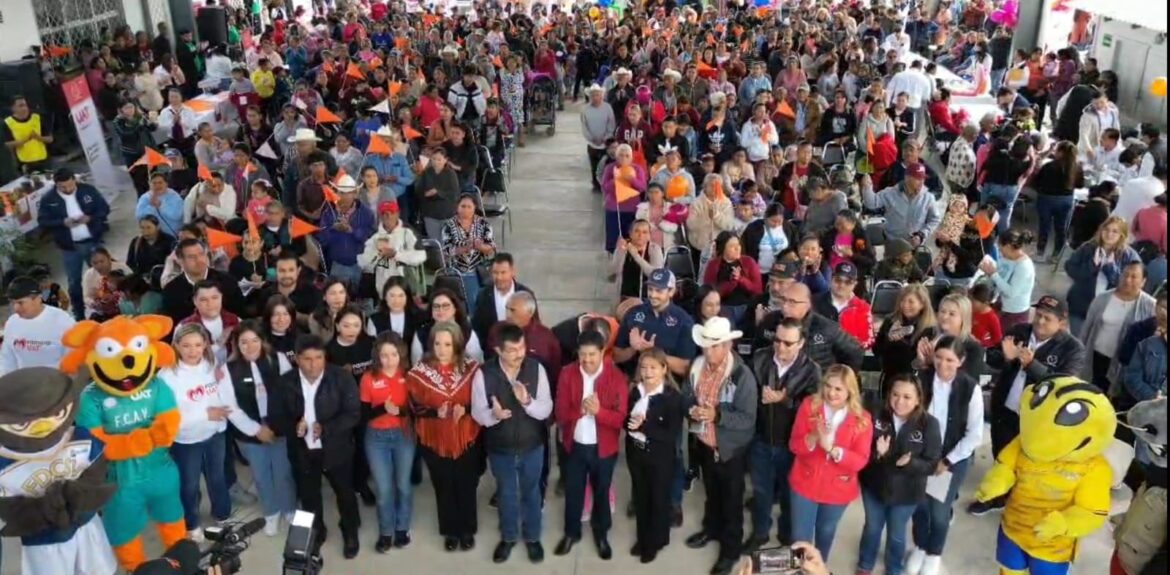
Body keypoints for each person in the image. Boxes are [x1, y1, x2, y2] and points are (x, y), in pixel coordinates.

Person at [972, 295, 1086, 516]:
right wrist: (1005, 357)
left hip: (1036, 418)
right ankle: (997, 496)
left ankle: (1020, 500)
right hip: (1005, 407)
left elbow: (1062, 383)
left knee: (1028, 463)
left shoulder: (1073, 349)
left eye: (1048, 319)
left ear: (1062, 323)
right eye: (1039, 315)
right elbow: (994, 357)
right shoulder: (1019, 331)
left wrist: (1030, 364)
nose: (1040, 322)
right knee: (1001, 455)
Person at [268, 334, 362, 558]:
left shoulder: (341, 378)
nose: (313, 364)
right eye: (307, 359)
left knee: (345, 494)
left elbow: (353, 413)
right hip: (302, 451)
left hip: (336, 449)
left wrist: (327, 428)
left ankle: (350, 532)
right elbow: (276, 417)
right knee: (309, 496)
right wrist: (293, 428)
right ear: (298, 359)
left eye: (318, 358)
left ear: (325, 357)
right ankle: (317, 533)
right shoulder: (284, 383)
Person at [472, 323, 554, 564]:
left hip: (532, 446)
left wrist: (527, 401)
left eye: (522, 347)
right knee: (506, 494)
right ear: (498, 350)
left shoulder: (536, 369)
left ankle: (532, 537)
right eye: (512, 350)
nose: (519, 354)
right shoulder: (484, 374)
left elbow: (546, 408)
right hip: (500, 448)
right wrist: (493, 416)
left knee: (532, 493)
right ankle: (508, 537)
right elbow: (478, 413)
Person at [683, 317, 759, 575]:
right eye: (706, 345)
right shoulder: (697, 366)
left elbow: (748, 419)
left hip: (730, 452)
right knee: (712, 494)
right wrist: (690, 408)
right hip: (705, 444)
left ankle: (730, 550)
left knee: (732, 502)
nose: (709, 351)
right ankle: (712, 529)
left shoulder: (742, 376)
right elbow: (687, 394)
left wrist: (717, 416)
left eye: (715, 346)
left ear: (727, 345)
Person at [907, 336, 984, 575]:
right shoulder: (922, 379)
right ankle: (920, 546)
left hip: (950, 458)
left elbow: (974, 434)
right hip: (921, 456)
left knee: (939, 512)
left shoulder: (970, 388)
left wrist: (947, 460)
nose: (943, 365)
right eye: (938, 358)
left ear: (960, 361)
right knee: (919, 506)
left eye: (950, 360)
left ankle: (933, 554)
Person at [745, 317, 822, 552]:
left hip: (792, 445)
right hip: (760, 438)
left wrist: (784, 400)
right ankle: (759, 533)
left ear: (801, 343)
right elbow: (745, 393)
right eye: (777, 340)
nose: (781, 347)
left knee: (790, 495)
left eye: (788, 343)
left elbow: (815, 407)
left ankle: (786, 534)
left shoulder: (812, 370)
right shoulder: (759, 358)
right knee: (760, 492)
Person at [405, 321, 481, 552]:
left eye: (447, 344)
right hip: (435, 439)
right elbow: (412, 406)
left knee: (466, 484)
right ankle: (450, 530)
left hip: (467, 436)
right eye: (437, 343)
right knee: (443, 485)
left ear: (456, 344)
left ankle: (467, 529)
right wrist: (433, 412)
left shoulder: (472, 369)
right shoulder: (419, 373)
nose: (441, 349)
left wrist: (466, 409)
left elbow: (483, 401)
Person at [553, 330, 630, 560]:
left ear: (603, 352)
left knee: (601, 491)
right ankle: (571, 532)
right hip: (575, 446)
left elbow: (620, 419)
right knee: (573, 491)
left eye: (592, 355)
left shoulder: (616, 377)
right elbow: (560, 412)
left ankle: (601, 534)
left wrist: (598, 412)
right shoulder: (567, 374)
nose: (586, 360)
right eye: (582, 355)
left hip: (603, 449)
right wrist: (580, 410)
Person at [857, 374, 942, 575]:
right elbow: (860, 451)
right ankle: (865, 564)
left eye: (907, 397)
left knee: (896, 534)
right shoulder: (875, 414)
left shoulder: (929, 424)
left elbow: (932, 464)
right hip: (874, 486)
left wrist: (911, 463)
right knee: (872, 527)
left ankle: (894, 568)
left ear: (918, 399)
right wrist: (877, 453)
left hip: (908, 493)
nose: (900, 401)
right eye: (895, 395)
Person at [786, 364, 872, 561]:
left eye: (838, 389)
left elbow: (860, 461)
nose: (831, 393)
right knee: (800, 536)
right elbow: (794, 445)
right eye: (828, 386)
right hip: (804, 483)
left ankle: (818, 569)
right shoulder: (809, 406)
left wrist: (833, 450)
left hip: (837, 489)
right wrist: (813, 437)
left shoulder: (863, 419)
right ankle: (799, 570)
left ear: (850, 391)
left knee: (825, 533)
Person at [218, 321, 296, 537]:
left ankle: (289, 509)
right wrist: (256, 430)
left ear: (262, 342)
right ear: (236, 345)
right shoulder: (227, 370)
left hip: (279, 428)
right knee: (261, 475)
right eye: (244, 342)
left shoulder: (278, 360)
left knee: (283, 473)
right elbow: (230, 407)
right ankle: (271, 512)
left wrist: (277, 425)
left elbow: (290, 394)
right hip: (249, 433)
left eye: (254, 340)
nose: (250, 346)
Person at [159, 323, 233, 541]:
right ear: (176, 346)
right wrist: (205, 415)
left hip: (215, 435)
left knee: (217, 477)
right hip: (186, 441)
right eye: (187, 346)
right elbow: (168, 418)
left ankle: (222, 513)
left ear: (205, 346)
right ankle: (191, 522)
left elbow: (220, 397)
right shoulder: (167, 376)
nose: (193, 351)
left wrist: (220, 421)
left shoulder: (211, 366)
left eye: (198, 345)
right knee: (189, 484)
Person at [625, 348, 684, 564]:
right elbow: (626, 420)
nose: (647, 372)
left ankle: (655, 542)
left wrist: (644, 426)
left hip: (660, 459)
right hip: (636, 454)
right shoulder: (635, 392)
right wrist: (631, 425)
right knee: (641, 498)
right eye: (644, 367)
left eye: (653, 367)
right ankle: (643, 539)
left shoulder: (672, 398)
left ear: (663, 369)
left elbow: (670, 434)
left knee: (658, 500)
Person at [360, 332, 416, 552]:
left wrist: (399, 411)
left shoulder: (409, 376)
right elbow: (363, 415)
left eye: (393, 354)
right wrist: (383, 408)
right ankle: (386, 531)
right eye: (384, 355)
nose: (389, 359)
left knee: (403, 485)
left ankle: (402, 528)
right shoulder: (368, 378)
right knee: (383, 489)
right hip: (377, 439)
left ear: (401, 353)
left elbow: (415, 409)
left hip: (403, 436)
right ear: (377, 356)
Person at [37, 168, 111, 320]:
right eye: (63, 187)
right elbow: (43, 221)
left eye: (70, 185)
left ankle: (107, 308)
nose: (68, 189)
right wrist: (62, 222)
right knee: (74, 282)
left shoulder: (87, 190)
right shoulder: (48, 199)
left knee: (102, 277)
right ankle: (79, 315)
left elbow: (104, 209)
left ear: (74, 180)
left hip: (93, 242)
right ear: (56, 184)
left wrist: (90, 218)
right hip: (69, 247)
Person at [1079, 262, 1156, 392]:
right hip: (1095, 357)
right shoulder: (1102, 299)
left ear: (1143, 281)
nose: (1127, 280)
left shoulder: (1150, 306)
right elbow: (1086, 329)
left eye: (1134, 276)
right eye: (1125, 275)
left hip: (1123, 366)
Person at [1064, 215, 1142, 331]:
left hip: (1111, 310)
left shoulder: (1129, 256)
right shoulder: (1088, 247)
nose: (1109, 234)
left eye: (1115, 231)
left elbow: (1130, 286)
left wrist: (1110, 268)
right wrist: (1092, 265)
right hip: (1080, 307)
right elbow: (1070, 269)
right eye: (1106, 229)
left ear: (1122, 235)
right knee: (1078, 343)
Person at [0, 277, 76, 375]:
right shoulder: (12, 323)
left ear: (37, 298)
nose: (16, 308)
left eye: (20, 303)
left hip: (57, 383)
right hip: (25, 384)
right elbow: (7, 360)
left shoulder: (63, 322)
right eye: (13, 303)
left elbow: (74, 361)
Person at [318, 178, 377, 290]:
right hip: (336, 265)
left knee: (362, 301)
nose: (343, 196)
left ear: (355, 194)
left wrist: (352, 231)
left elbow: (372, 239)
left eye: (348, 193)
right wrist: (333, 229)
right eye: (341, 192)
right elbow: (322, 240)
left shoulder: (367, 214)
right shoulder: (328, 212)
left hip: (361, 266)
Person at [358, 201, 426, 299]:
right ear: (380, 216)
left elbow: (420, 256)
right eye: (384, 213)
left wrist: (396, 255)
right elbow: (363, 263)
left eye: (391, 212)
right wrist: (376, 255)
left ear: (398, 213)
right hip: (383, 292)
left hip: (407, 290)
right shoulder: (374, 236)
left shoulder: (408, 233)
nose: (388, 216)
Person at [860, 166, 941, 247]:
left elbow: (935, 219)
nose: (921, 183)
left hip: (913, 246)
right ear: (907, 178)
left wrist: (922, 234)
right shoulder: (891, 193)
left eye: (923, 179)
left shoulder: (928, 198)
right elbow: (871, 203)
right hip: (891, 242)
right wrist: (867, 187)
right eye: (918, 179)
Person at [874, 284, 937, 387]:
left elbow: (919, 360)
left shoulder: (929, 328)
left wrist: (901, 342)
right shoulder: (890, 321)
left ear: (922, 304)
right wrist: (888, 339)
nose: (905, 305)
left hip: (916, 380)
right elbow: (877, 350)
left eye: (911, 302)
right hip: (890, 376)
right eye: (902, 301)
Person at [441, 195, 497, 313]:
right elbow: (445, 252)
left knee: (475, 295)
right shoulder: (448, 226)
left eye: (469, 207)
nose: (465, 210)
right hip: (455, 270)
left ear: (474, 208)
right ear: (457, 207)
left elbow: (491, 248)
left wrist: (479, 246)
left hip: (479, 270)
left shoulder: (484, 224)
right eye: (463, 206)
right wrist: (464, 248)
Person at [1033, 141, 1085, 262]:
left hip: (1046, 198)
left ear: (1060, 152)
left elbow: (1037, 182)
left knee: (1044, 226)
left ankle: (1040, 251)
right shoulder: (1076, 167)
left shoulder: (1050, 166)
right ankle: (1057, 253)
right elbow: (1080, 184)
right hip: (1066, 200)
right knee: (1061, 227)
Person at [471, 254, 533, 345]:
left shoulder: (525, 294)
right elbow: (477, 327)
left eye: (503, 272)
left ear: (513, 272)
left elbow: (533, 325)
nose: (499, 277)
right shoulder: (483, 296)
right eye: (495, 273)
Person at [983, 229, 1038, 332]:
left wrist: (993, 274)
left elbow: (1011, 292)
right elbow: (1000, 276)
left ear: (1008, 246)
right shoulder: (1006, 258)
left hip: (1014, 313)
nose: (1000, 251)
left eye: (1001, 248)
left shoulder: (1024, 266)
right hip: (1001, 305)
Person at [812, 262, 874, 349]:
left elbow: (869, 340)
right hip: (821, 356)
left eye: (848, 282)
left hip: (849, 357)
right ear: (831, 279)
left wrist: (850, 345)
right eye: (838, 280)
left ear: (854, 284)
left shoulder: (863, 308)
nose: (842, 285)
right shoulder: (814, 301)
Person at [603, 144, 649, 253]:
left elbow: (642, 187)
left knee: (630, 237)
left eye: (627, 156)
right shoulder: (610, 168)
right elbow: (605, 187)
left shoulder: (637, 169)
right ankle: (614, 260)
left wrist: (632, 179)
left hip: (631, 208)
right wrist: (615, 180)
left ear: (631, 157)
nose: (624, 158)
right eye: (621, 155)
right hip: (614, 208)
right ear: (616, 156)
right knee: (613, 237)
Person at [611, 219, 666, 303]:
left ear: (649, 236)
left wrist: (636, 256)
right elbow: (613, 271)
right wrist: (620, 252)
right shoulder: (623, 247)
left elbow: (655, 275)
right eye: (637, 231)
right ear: (630, 233)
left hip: (647, 299)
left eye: (645, 232)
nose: (640, 235)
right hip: (625, 297)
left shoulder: (655, 249)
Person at [415, 147, 462, 240]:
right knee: (434, 241)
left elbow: (454, 194)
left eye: (439, 159)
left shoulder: (450, 174)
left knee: (447, 241)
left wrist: (438, 193)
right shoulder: (427, 172)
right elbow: (418, 190)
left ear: (445, 160)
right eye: (433, 159)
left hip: (447, 213)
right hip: (430, 213)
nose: (436, 162)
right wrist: (425, 193)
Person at [3, 96, 53, 172]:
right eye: (20, 106)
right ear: (13, 108)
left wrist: (38, 137)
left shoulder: (37, 118)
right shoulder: (7, 123)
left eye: (25, 105)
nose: (24, 108)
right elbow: (7, 144)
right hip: (24, 162)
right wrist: (25, 140)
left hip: (44, 160)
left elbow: (50, 139)